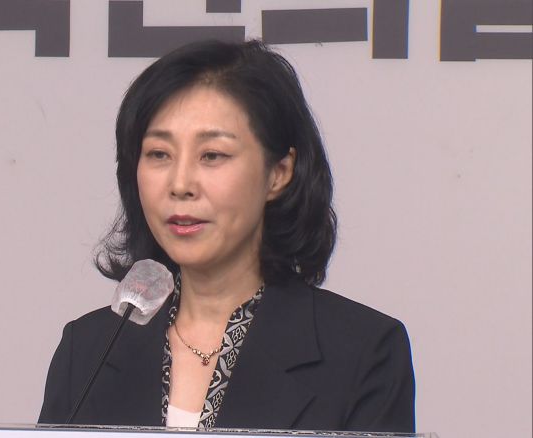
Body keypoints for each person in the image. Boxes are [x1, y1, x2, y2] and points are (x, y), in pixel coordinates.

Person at [38, 40, 415, 432]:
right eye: (159, 154)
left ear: (279, 173)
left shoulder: (363, 352)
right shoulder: (88, 352)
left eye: (212, 155)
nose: (180, 184)